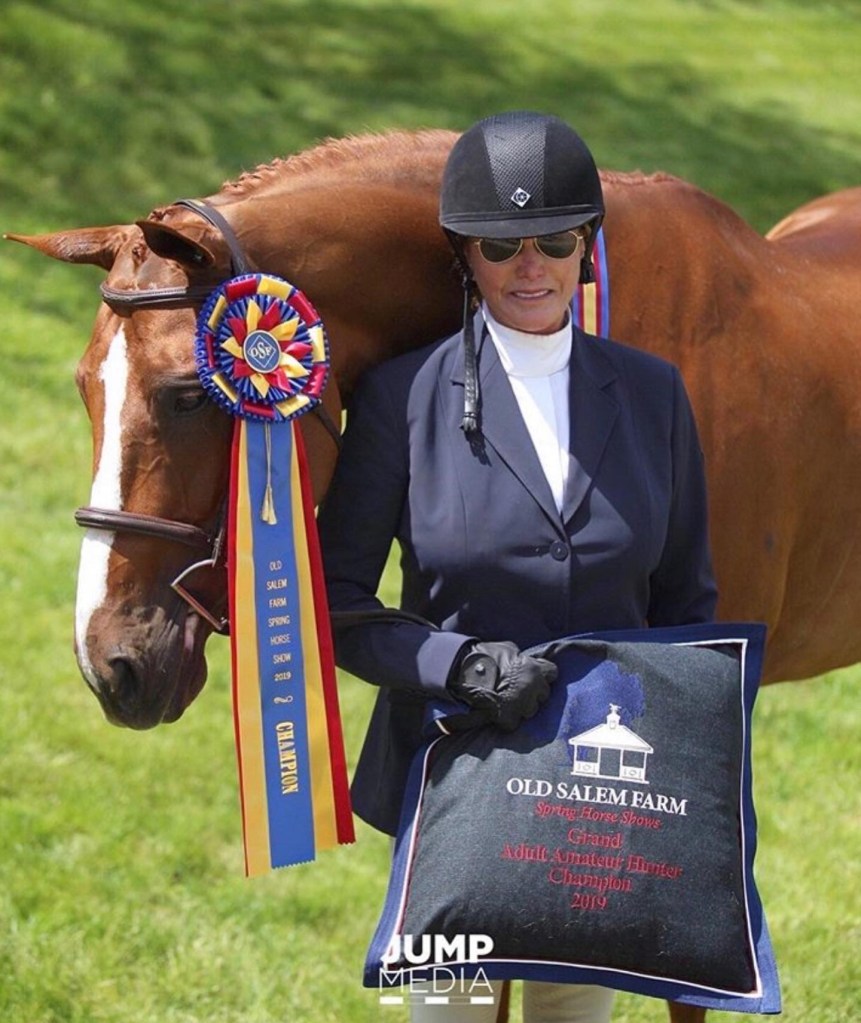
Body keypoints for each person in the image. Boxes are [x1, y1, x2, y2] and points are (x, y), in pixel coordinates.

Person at [316, 111, 718, 1023]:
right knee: (451, 1015)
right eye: (501, 247)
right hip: (455, 770)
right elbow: (336, 600)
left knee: (571, 1012)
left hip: (602, 790)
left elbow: (688, 602)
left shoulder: (653, 396)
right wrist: (453, 664)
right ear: (464, 254)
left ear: (587, 247)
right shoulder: (398, 400)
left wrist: (695, 771)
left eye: (555, 240)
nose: (529, 266)